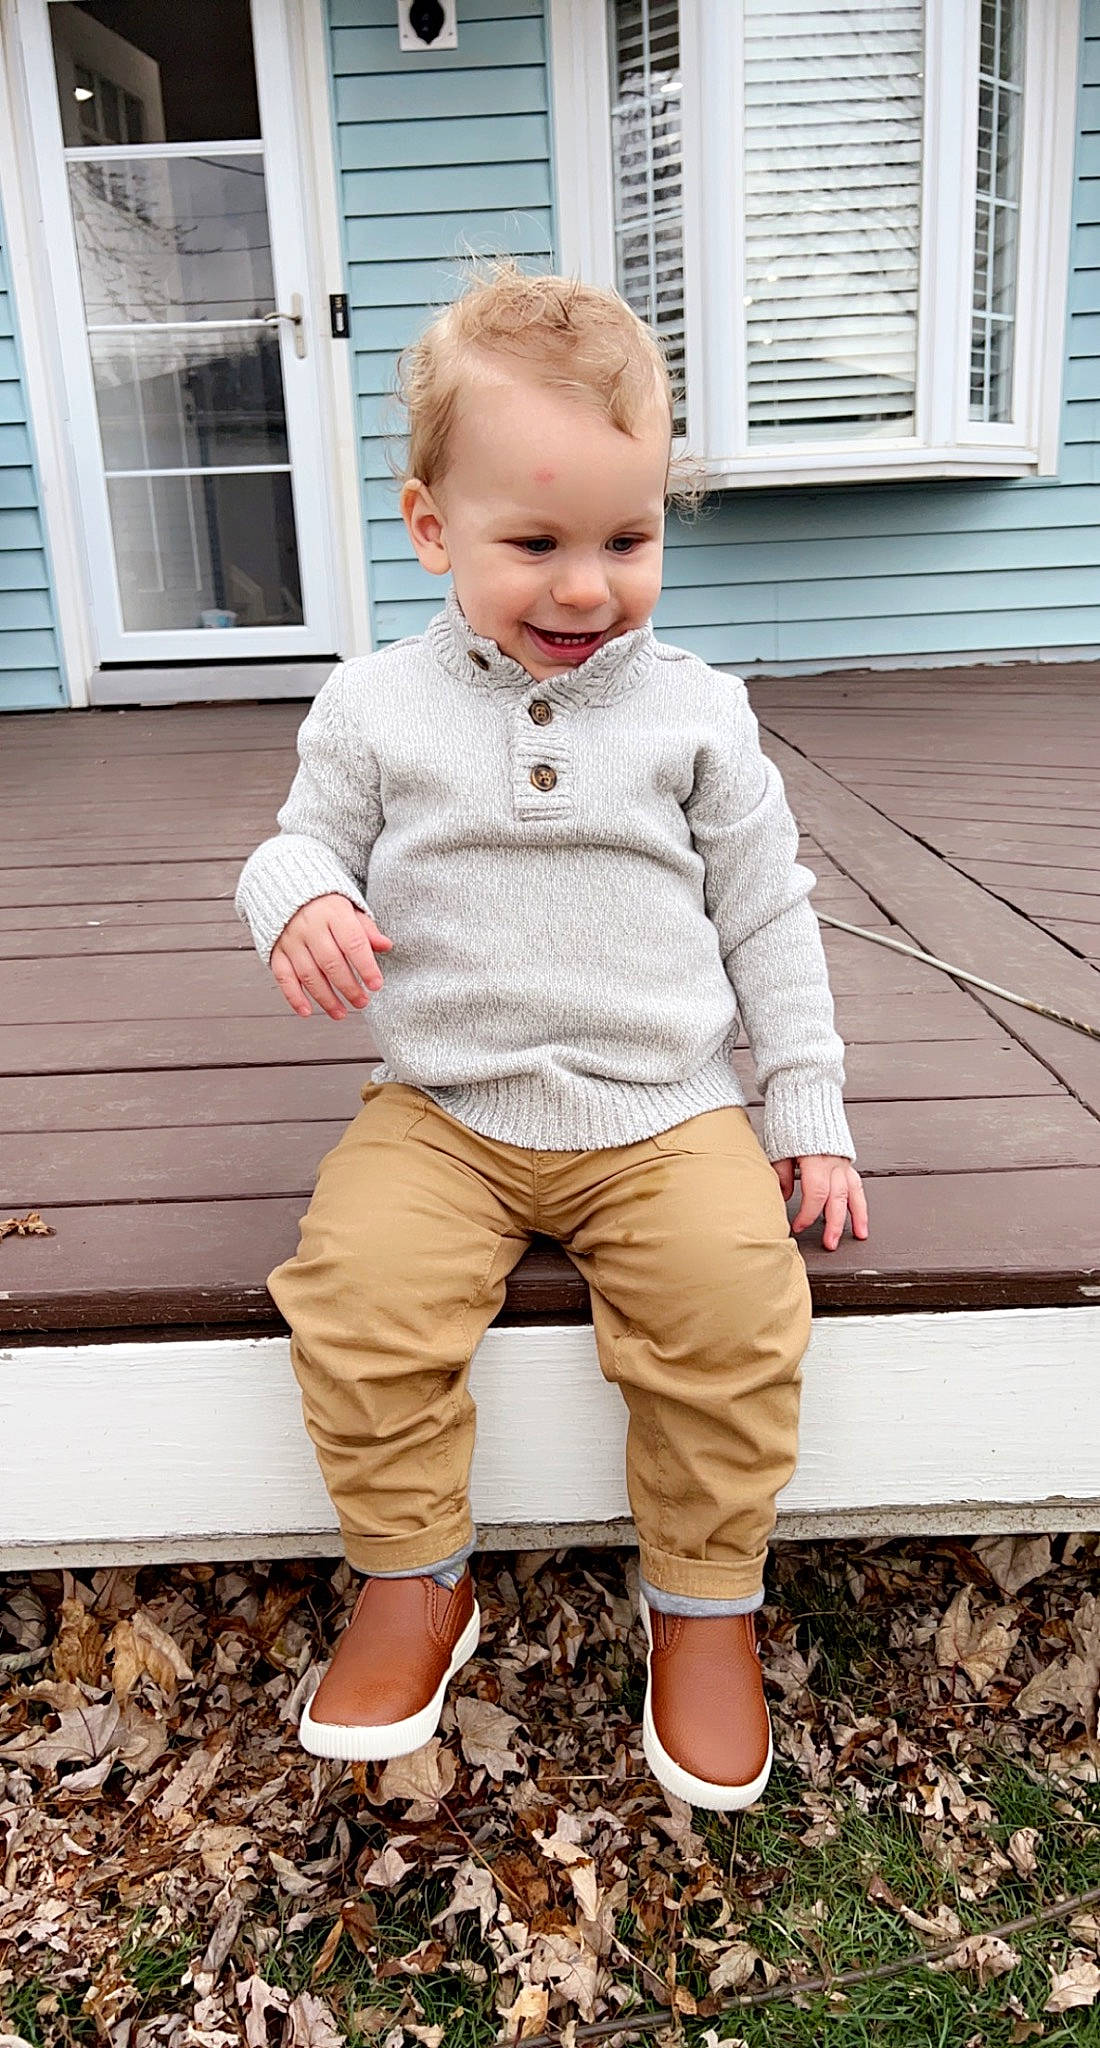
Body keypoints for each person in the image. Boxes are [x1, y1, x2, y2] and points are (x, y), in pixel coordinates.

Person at [235, 263, 868, 1813]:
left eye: (628, 541)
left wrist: (809, 1106)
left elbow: (770, 917)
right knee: (358, 1289)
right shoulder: (375, 705)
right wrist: (299, 899)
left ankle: (706, 1600)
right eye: (536, 545)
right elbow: (293, 840)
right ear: (433, 530)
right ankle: (413, 1576)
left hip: (666, 1106)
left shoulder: (702, 716)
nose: (586, 588)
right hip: (443, 1102)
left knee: (731, 1310)